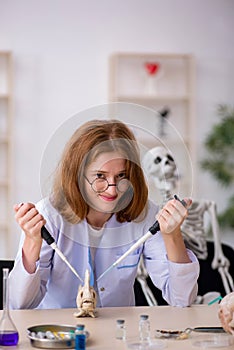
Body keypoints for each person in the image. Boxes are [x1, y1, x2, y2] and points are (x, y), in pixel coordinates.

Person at [9, 119, 199, 309]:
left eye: (122, 176)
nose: (113, 190)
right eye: (100, 176)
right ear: (76, 175)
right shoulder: (49, 216)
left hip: (121, 334)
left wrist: (172, 234)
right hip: (61, 335)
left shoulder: (145, 215)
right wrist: (32, 241)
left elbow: (181, 298)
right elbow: (20, 305)